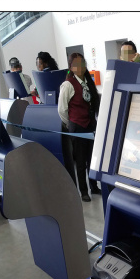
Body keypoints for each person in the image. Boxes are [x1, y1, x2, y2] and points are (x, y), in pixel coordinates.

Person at [57, 53, 100, 202]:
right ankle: (83, 191)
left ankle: (94, 186)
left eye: (82, 63)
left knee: (92, 160)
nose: (80, 67)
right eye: (76, 64)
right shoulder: (68, 84)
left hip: (90, 125)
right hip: (77, 127)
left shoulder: (88, 82)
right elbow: (62, 109)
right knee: (80, 162)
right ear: (71, 67)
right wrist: (71, 125)